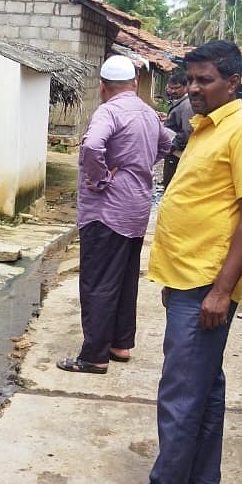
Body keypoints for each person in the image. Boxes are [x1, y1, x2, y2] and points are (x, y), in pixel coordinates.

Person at [102, 40, 242, 484]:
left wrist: (221, 290)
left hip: (207, 281)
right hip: (188, 277)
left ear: (233, 81)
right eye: (191, 79)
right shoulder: (205, 127)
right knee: (206, 384)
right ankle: (201, 481)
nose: (194, 89)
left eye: (205, 80)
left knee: (180, 387)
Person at [56, 56, 173, 374]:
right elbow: (167, 143)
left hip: (106, 211)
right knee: (123, 278)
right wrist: (141, 164)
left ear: (103, 87)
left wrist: (101, 177)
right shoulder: (148, 113)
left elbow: (93, 146)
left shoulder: (108, 112)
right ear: (135, 83)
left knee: (98, 281)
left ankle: (94, 356)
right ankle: (120, 344)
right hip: (136, 210)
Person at [161, 70, 193, 191]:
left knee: (171, 187)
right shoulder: (180, 102)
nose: (173, 91)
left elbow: (187, 132)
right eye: (171, 88)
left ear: (186, 86)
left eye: (176, 88)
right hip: (173, 152)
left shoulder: (187, 105)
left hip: (177, 155)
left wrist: (171, 146)